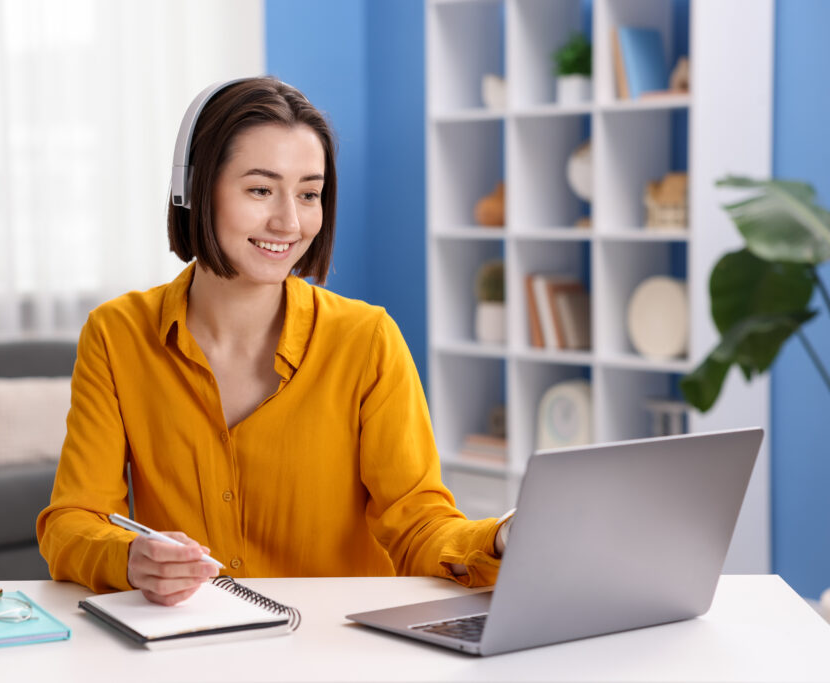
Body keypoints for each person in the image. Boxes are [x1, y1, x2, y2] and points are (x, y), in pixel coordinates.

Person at [36, 77, 513, 606]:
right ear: (193, 191)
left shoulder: (367, 339)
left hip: (336, 651)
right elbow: (73, 520)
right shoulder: (118, 334)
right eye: (260, 189)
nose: (290, 221)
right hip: (189, 647)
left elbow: (418, 524)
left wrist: (497, 538)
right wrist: (129, 557)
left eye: (309, 194)